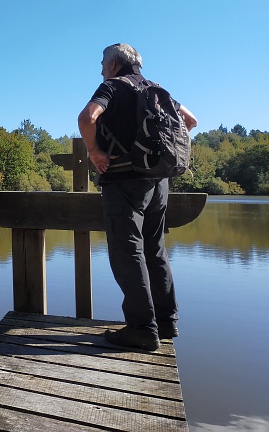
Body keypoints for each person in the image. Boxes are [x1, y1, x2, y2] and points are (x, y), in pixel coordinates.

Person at [78, 43, 197, 351]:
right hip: (159, 183)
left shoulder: (112, 86)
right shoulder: (159, 90)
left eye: (103, 62)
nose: (101, 68)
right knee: (154, 249)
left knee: (126, 250)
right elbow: (191, 121)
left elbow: (87, 117)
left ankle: (142, 329)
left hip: (124, 181)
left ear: (115, 64)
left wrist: (95, 152)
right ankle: (167, 323)